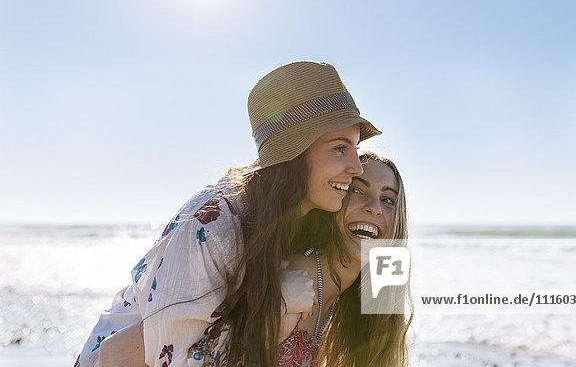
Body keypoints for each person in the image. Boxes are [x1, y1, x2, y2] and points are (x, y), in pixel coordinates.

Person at [74, 61, 381, 367]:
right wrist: (272, 313)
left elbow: (391, 349)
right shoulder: (216, 225)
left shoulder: (366, 258)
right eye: (340, 149)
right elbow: (126, 354)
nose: (356, 170)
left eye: (392, 200)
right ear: (293, 153)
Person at [187, 151, 413, 367]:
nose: (374, 208)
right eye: (357, 191)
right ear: (337, 200)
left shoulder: (353, 299)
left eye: (388, 200)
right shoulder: (292, 284)